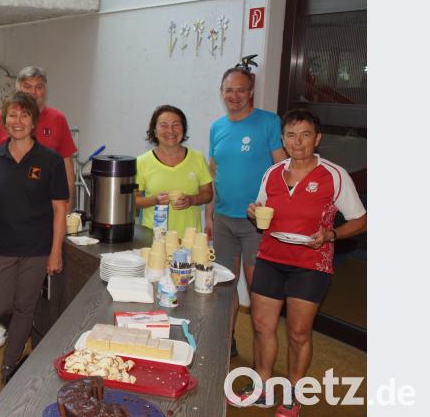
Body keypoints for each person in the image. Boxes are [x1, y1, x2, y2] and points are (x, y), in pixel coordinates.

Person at [231, 109, 366, 416]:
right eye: (291, 135)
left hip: (311, 263)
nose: (298, 142)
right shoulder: (273, 172)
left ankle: (293, 394)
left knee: (298, 333)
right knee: (262, 326)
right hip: (270, 257)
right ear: (283, 139)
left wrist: (331, 234)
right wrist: (256, 212)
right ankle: (262, 387)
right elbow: (263, 209)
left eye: (305, 135)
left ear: (317, 138)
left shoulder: (333, 174)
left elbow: (361, 220)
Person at [0, 65, 77, 348]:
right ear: (18, 90)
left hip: (42, 214)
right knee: (2, 300)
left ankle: (23, 331)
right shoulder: (4, 117)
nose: (33, 92)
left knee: (30, 294)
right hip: (7, 219)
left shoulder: (57, 118)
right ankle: (9, 322)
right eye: (27, 87)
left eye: (38, 87)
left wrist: (67, 203)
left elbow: (66, 160)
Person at [206, 67, 288, 356]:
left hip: (256, 224)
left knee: (258, 291)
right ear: (222, 93)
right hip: (224, 220)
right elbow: (215, 174)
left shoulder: (268, 122)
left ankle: (262, 353)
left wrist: (275, 207)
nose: (235, 96)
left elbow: (282, 169)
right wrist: (209, 216)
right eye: (229, 90)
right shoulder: (216, 127)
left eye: (241, 90)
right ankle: (226, 343)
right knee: (224, 286)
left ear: (251, 91)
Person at [135, 104, 213, 235]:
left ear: (183, 129)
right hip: (154, 238)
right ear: (154, 131)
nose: (170, 131)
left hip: (189, 238)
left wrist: (192, 200)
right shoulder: (142, 162)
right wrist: (154, 200)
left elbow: (207, 194)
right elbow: (133, 201)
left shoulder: (197, 158)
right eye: (164, 125)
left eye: (176, 124)